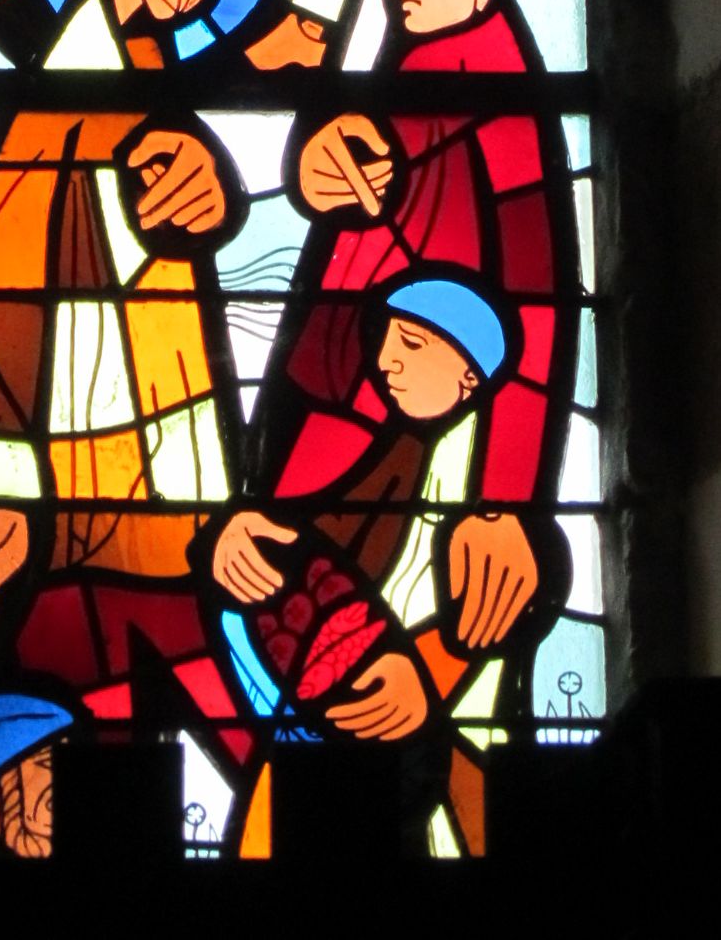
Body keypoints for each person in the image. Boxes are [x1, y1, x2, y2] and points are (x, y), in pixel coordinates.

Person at [0, 0, 298, 855]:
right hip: (103, 547)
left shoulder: (143, 72)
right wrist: (4, 496)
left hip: (171, 541)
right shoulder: (73, 92)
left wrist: (218, 189)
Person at [205, 272, 561, 850]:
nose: (388, 360)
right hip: (327, 717)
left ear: (470, 376)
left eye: (412, 343)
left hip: (418, 754)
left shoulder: (489, 512)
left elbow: (487, 626)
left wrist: (428, 678)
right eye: (388, 339)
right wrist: (229, 539)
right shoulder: (371, 453)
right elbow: (307, 551)